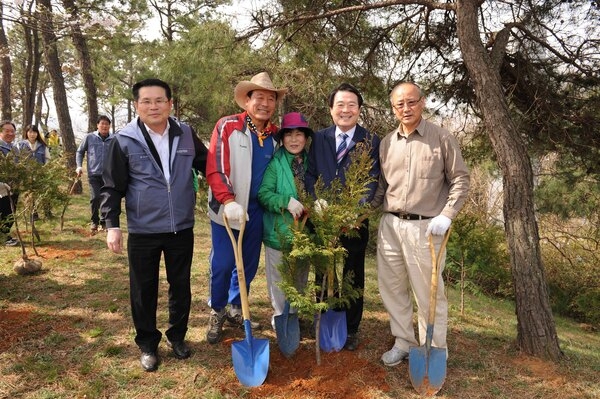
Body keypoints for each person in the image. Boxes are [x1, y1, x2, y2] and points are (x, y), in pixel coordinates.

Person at [100, 78, 207, 372]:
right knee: (143, 289)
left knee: (180, 286)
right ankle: (148, 344)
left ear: (169, 103)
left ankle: (178, 337)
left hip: (181, 227)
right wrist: (112, 224)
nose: (153, 106)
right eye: (146, 101)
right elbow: (111, 186)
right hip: (143, 230)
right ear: (137, 105)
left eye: (159, 100)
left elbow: (208, 164)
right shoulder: (124, 139)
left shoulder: (185, 133)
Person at [372, 82, 470, 366]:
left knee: (429, 294)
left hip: (426, 228)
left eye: (411, 102)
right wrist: (357, 213)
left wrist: (447, 214)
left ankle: (433, 349)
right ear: (393, 108)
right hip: (390, 225)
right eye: (399, 104)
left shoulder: (441, 138)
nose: (406, 108)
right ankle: (404, 341)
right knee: (393, 288)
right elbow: (381, 187)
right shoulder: (387, 143)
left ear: (422, 102)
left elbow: (461, 179)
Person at [205, 71, 287, 344]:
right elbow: (216, 167)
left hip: (258, 212)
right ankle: (216, 309)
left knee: (248, 265)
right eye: (259, 97)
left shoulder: (276, 136)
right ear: (247, 100)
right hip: (228, 212)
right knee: (224, 263)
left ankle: (235, 305)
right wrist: (228, 201)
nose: (265, 103)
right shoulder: (228, 126)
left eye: (270, 99)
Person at [305, 83, 381, 351]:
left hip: (354, 221)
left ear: (359, 110)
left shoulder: (372, 141)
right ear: (331, 109)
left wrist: (355, 208)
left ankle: (350, 327)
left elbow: (371, 179)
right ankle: (323, 316)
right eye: (340, 105)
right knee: (323, 270)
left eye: (351, 105)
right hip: (322, 218)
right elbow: (310, 173)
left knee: (353, 273)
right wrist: (317, 201)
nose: (345, 110)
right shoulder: (319, 138)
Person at [257, 112, 313, 329]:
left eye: (299, 134)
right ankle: (281, 317)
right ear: (282, 138)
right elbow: (264, 194)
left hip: (304, 234)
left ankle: (294, 316)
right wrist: (285, 201)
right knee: (280, 281)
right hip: (278, 233)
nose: (294, 139)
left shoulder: (311, 162)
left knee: (299, 278)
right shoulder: (275, 164)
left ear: (305, 138)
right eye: (289, 134)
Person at [76, 115, 114, 234]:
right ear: (97, 125)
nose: (104, 126)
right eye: (102, 124)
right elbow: (80, 152)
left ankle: (104, 222)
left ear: (109, 126)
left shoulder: (114, 139)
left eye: (107, 124)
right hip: (94, 174)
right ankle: (94, 221)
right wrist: (79, 166)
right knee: (95, 197)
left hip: (108, 175)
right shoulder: (89, 137)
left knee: (106, 199)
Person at [0, 120, 20, 246]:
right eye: (7, 131)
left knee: (10, 212)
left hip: (13, 185)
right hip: (1, 186)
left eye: (12, 131)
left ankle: (4, 235)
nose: (10, 133)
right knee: (2, 210)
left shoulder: (14, 148)